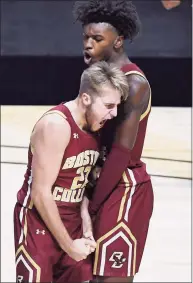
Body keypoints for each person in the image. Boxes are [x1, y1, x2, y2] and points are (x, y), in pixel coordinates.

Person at [14, 61, 129, 283]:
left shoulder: (96, 125)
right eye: (108, 105)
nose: (114, 113)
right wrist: (68, 246)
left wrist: (85, 218)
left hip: (73, 221)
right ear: (86, 98)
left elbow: (81, 182)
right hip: (38, 221)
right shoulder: (56, 125)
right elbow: (40, 193)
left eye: (116, 106)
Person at [73, 1, 154, 282]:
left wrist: (91, 206)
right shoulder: (97, 78)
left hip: (122, 187)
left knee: (109, 278)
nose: (88, 44)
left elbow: (120, 152)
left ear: (117, 41)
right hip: (97, 182)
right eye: (85, 37)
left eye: (97, 39)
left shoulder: (134, 84)